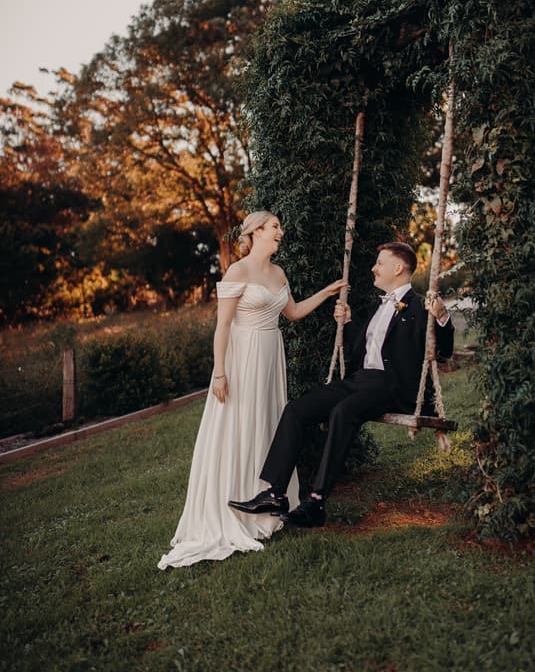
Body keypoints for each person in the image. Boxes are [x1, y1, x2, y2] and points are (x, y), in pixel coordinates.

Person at [158, 210, 346, 568]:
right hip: (242, 357)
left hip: (271, 356)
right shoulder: (238, 271)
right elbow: (222, 326)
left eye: (279, 226)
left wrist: (327, 292)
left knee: (267, 423)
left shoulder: (278, 273)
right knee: (239, 424)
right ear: (256, 231)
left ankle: (264, 505)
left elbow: (291, 313)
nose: (281, 231)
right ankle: (231, 507)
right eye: (275, 226)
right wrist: (220, 372)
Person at [229, 241, 453, 529]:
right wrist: (347, 323)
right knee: (297, 410)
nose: (374, 267)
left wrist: (443, 317)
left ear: (398, 268)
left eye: (380, 263)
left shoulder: (421, 306)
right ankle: (275, 492)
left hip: (392, 386)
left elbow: (443, 351)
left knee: (343, 412)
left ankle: (316, 501)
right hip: (360, 380)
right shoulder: (377, 305)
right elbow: (358, 350)